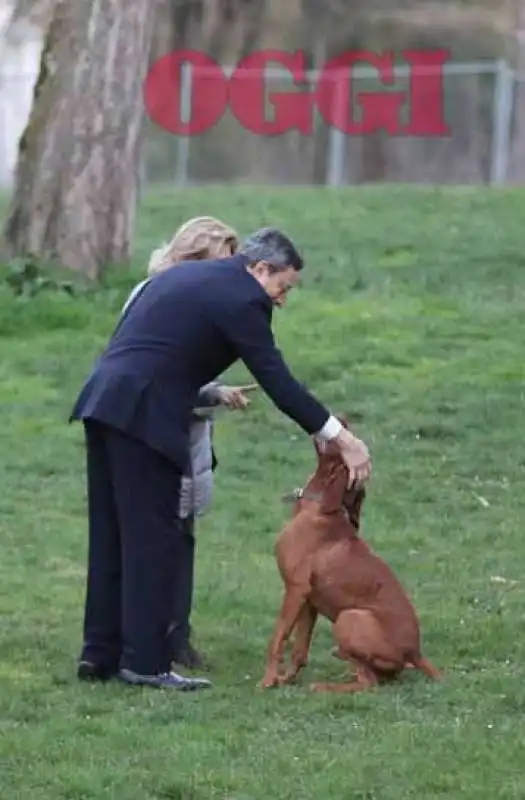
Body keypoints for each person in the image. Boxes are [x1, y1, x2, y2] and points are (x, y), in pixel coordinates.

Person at [70, 227, 371, 691]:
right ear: (261, 269)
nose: (282, 299)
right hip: (145, 415)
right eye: (282, 287)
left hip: (104, 402)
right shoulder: (242, 298)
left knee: (111, 535)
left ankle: (100, 653)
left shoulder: (183, 279)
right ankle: (146, 664)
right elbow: (276, 378)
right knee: (152, 540)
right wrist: (338, 436)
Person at [122, 217, 254, 671]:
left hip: (191, 439)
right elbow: (154, 373)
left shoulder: (200, 300)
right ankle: (148, 641)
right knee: (157, 542)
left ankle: (176, 636)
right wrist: (210, 393)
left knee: (182, 541)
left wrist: (213, 390)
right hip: (156, 437)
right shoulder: (150, 296)